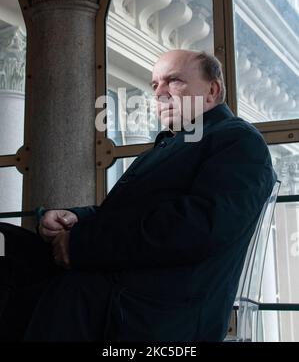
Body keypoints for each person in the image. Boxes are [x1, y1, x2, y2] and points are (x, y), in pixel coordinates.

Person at [0, 49, 276, 342]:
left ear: (212, 90)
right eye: (155, 85)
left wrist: (82, 243)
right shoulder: (173, 146)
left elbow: (195, 227)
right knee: (5, 241)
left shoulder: (237, 140)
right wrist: (74, 218)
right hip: (122, 291)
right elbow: (124, 215)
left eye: (174, 81)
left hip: (152, 312)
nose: (160, 93)